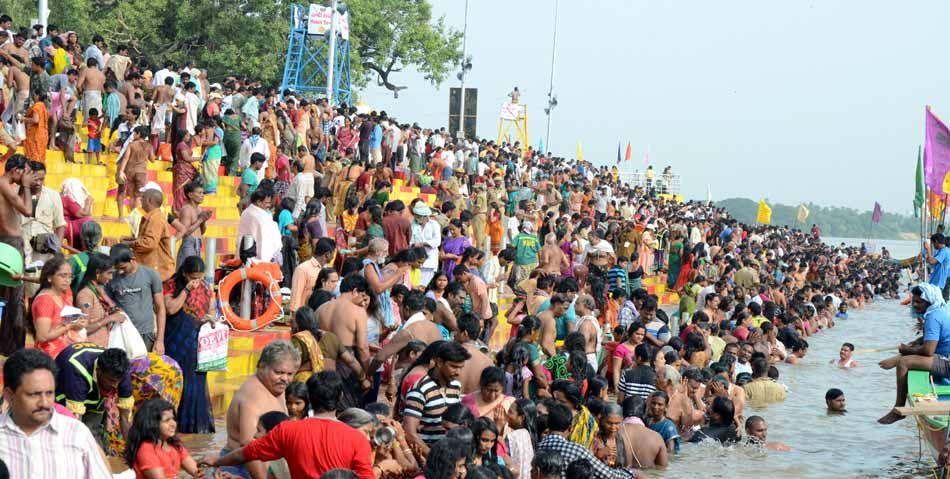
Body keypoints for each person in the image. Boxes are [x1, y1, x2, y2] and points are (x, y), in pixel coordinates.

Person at [203, 371, 376, 479]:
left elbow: (246, 452)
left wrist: (217, 461)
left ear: (309, 399)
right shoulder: (357, 439)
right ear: (339, 399)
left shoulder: (288, 430)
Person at [0, 349, 112, 478]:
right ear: (9, 395)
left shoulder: (77, 434)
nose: (44, 403)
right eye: (33, 394)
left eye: (49, 393)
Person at [218, 340, 299, 478]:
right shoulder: (253, 397)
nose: (285, 378)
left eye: (290, 374)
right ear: (261, 366)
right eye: (278, 372)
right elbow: (249, 447)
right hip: (241, 468)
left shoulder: (276, 387)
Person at [879, 283, 950, 424]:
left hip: (946, 360)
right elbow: (933, 338)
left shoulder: (932, 317)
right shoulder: (941, 310)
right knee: (908, 354)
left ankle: (898, 409)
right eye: (914, 301)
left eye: (919, 302)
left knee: (904, 362)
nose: (915, 305)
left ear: (929, 301)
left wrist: (906, 350)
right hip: (943, 356)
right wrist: (917, 342)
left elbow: (928, 351)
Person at [162, 256, 215, 434]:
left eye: (200, 277)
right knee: (178, 381)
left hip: (196, 342)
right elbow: (170, 309)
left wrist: (210, 319)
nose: (197, 281)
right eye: (193, 277)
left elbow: (211, 310)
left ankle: (190, 427)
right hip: (175, 340)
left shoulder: (206, 287)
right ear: (184, 273)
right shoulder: (171, 285)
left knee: (195, 384)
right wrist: (185, 289)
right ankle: (172, 423)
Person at [54, 343, 133, 451]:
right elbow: (75, 423)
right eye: (110, 380)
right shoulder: (77, 370)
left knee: (93, 431)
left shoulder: (122, 372)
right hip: (64, 388)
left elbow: (125, 417)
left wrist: (134, 454)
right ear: (99, 371)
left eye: (118, 381)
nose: (115, 386)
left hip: (94, 386)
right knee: (67, 436)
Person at [536, 401, 641, 479]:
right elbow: (607, 474)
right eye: (609, 423)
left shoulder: (538, 447)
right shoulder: (587, 442)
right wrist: (632, 474)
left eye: (617, 423)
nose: (613, 427)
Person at [403, 341, 470, 455]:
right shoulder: (420, 390)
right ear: (439, 362)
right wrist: (432, 457)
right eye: (453, 367)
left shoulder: (455, 386)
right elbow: (409, 432)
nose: (458, 372)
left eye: (460, 368)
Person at [0, 156, 37, 355]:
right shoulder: (3, 184)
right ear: (16, 170)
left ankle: (8, 345)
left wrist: (24, 186)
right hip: (10, 245)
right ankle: (14, 347)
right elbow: (28, 210)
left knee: (10, 297)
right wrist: (27, 186)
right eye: (26, 172)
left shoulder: (6, 186)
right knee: (15, 297)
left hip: (9, 244)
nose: (28, 177)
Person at [107, 243, 166, 354]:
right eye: (117, 269)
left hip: (146, 334)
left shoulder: (151, 275)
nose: (120, 272)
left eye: (123, 268)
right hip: (123, 334)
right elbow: (107, 306)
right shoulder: (111, 278)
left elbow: (160, 308)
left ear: (132, 260)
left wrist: (160, 340)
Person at [125, 398, 201, 478]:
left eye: (173, 419)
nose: (173, 424)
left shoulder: (174, 444)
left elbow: (197, 473)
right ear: (152, 423)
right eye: (167, 420)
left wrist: (205, 462)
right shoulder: (146, 449)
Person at [31, 255, 84, 359]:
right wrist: (69, 326)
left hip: (68, 352)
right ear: (50, 277)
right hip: (50, 357)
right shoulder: (45, 300)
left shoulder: (66, 293)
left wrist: (80, 323)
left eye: (70, 276)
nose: (67, 280)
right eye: (63, 276)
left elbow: (70, 318)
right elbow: (42, 336)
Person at [74, 252, 123, 347]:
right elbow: (83, 328)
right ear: (97, 273)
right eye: (109, 273)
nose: (111, 277)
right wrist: (109, 319)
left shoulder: (98, 291)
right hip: (92, 349)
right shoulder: (85, 295)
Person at [130, 188, 175, 281]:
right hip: (151, 270)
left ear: (149, 200)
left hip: (158, 272)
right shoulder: (153, 217)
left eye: (143, 197)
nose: (140, 200)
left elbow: (149, 243)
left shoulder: (155, 218)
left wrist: (130, 244)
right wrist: (130, 240)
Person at [174, 181, 211, 268]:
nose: (202, 195)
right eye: (199, 193)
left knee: (196, 271)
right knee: (188, 272)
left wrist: (204, 220)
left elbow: (202, 231)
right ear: (190, 195)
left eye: (203, 193)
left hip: (198, 243)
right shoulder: (186, 209)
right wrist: (200, 219)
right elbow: (185, 232)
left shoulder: (199, 209)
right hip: (188, 244)